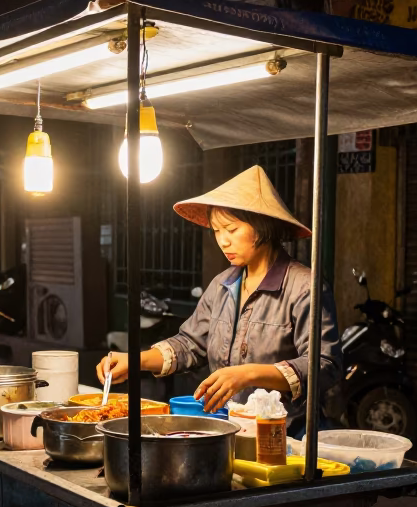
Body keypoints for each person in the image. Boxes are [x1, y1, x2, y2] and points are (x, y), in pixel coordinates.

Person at [97, 165, 342, 436]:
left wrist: (248, 374)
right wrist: (136, 360)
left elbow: (325, 365)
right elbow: (190, 344)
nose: (223, 241)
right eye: (216, 231)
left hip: (286, 439)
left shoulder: (303, 286)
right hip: (227, 434)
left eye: (232, 229)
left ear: (263, 226)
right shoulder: (223, 284)